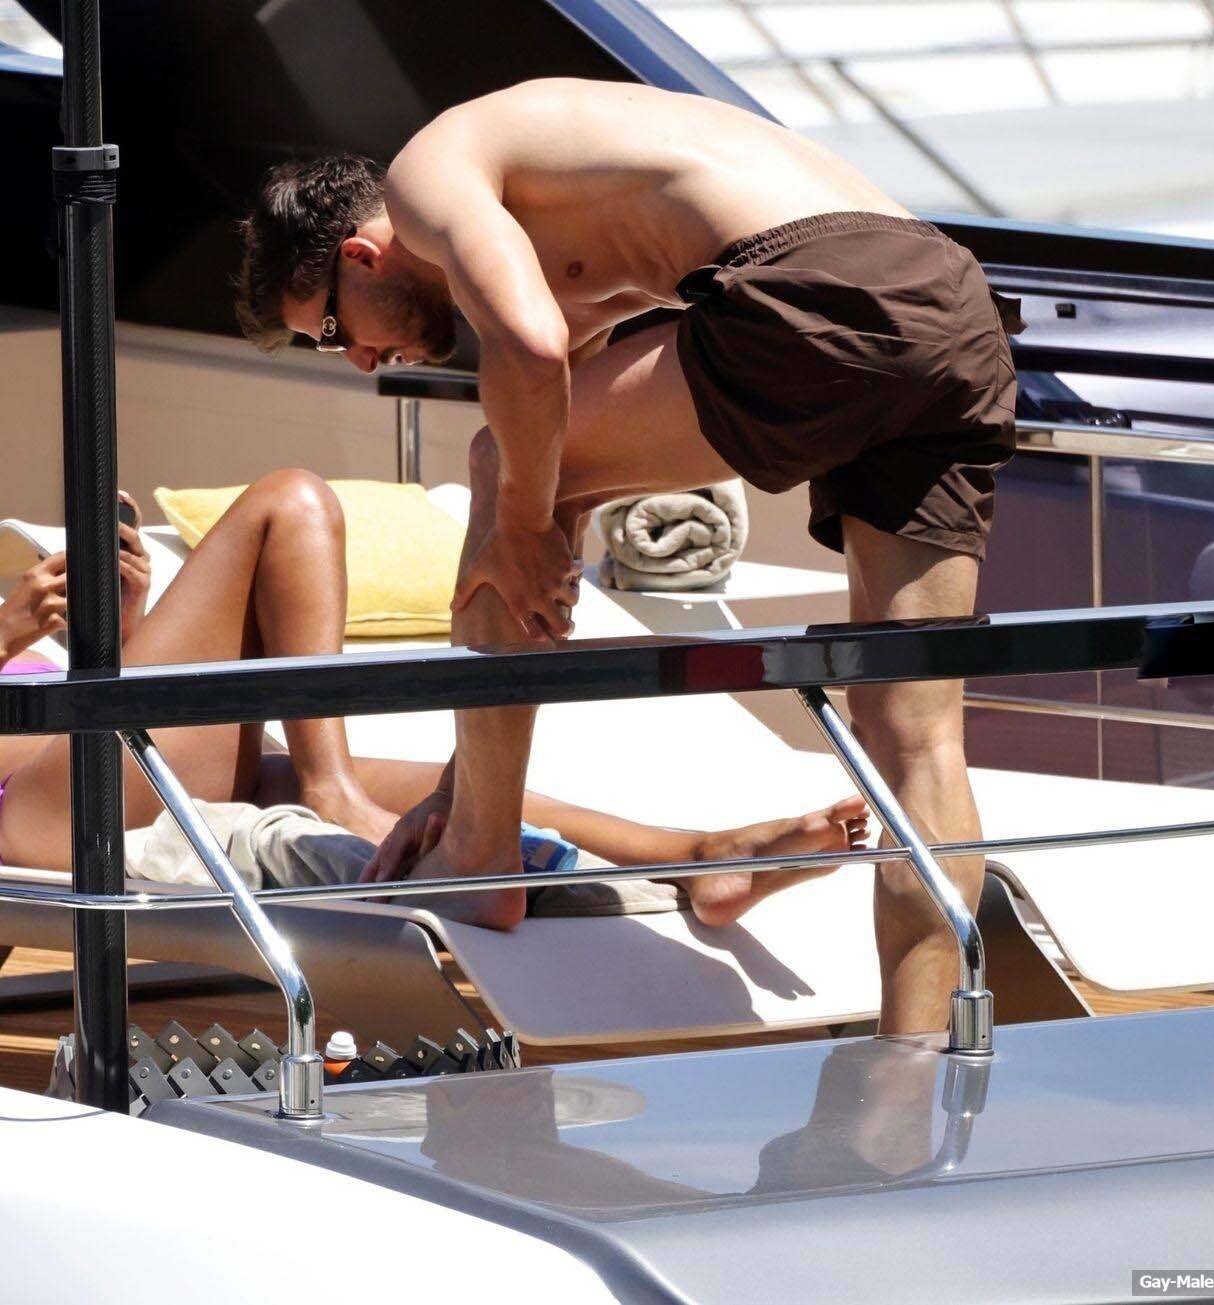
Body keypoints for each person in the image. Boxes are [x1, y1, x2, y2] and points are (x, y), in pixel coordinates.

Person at [235, 78, 1018, 1032]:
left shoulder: (426, 175)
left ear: (361, 255)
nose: (361, 361)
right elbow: (556, 413)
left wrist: (521, 520)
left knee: (500, 466)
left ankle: (480, 859)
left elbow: (530, 355)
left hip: (822, 288)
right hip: (949, 306)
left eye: (330, 332)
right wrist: (451, 786)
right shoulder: (561, 216)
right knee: (919, 742)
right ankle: (921, 1055)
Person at [0, 476, 866, 921]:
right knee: (288, 501)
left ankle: (702, 857)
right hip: (32, 817)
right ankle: (332, 789)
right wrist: (8, 632)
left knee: (460, 790)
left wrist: (126, 628)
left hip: (114, 770)